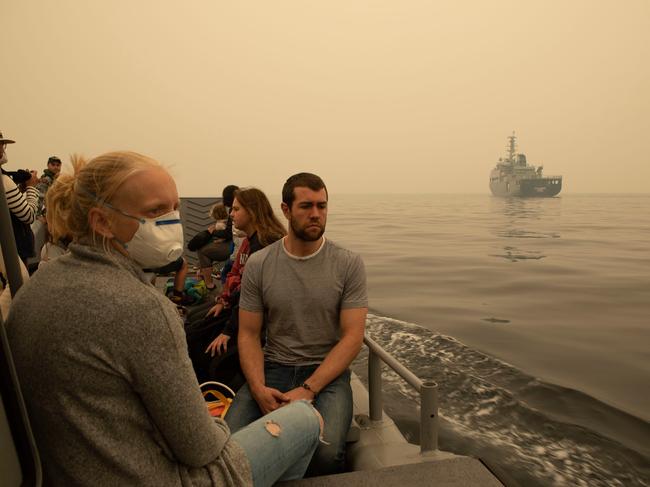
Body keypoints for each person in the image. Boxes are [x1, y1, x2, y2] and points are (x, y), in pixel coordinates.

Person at [6, 152, 322, 486]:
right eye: (155, 212)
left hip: (78, 467)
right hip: (156, 476)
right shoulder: (142, 307)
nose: (172, 221)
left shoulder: (37, 285)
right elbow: (200, 449)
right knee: (302, 417)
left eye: (173, 208)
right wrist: (211, 423)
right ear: (101, 221)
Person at [226, 172, 368, 476]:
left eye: (322, 205)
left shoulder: (348, 263)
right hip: (274, 367)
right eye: (306, 206)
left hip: (326, 376)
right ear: (286, 210)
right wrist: (258, 387)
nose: (316, 214)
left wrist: (309, 388)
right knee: (227, 446)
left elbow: (353, 336)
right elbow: (249, 334)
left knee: (327, 453)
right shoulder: (260, 263)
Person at [186, 187, 286, 386]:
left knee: (198, 342)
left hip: (259, 321)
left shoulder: (265, 244)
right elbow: (240, 282)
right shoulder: (251, 242)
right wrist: (224, 301)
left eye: (236, 209)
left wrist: (228, 331)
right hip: (241, 308)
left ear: (252, 211)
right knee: (194, 322)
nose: (231, 214)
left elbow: (252, 295)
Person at [0, 131, 39, 264]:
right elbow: (29, 215)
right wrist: (31, 187)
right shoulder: (4, 180)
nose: (3, 149)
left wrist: (18, 191)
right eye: (2, 145)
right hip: (13, 253)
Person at [191, 185, 238, 289]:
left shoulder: (232, 211)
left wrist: (213, 232)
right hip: (234, 243)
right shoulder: (237, 209)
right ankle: (203, 272)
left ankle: (208, 283)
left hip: (233, 246)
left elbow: (228, 233)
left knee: (202, 251)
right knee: (206, 249)